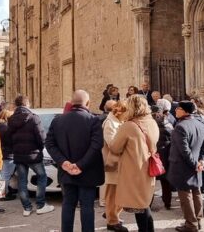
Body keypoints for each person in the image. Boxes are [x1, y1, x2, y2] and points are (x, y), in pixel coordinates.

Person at [45, 90, 104, 232]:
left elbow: (50, 144)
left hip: (67, 172)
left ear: (71, 103)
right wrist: (80, 164)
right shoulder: (93, 120)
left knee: (68, 205)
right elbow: (96, 145)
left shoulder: (58, 120)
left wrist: (63, 162)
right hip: (87, 171)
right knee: (87, 206)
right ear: (88, 103)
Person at [110, 94, 159, 232]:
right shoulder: (152, 122)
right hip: (149, 168)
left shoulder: (129, 126)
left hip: (134, 170)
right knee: (144, 203)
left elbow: (115, 147)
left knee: (139, 207)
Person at [167, 100, 204, 232]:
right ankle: (197, 220)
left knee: (186, 195)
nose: (175, 110)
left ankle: (191, 224)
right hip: (196, 164)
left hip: (183, 166)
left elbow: (184, 151)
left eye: (178, 108)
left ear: (185, 111)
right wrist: (202, 162)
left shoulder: (180, 127)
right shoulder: (200, 124)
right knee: (196, 192)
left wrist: (197, 164)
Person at [7, 95, 54, 216]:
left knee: (22, 181)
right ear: (27, 104)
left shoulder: (11, 119)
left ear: (16, 105)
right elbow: (41, 136)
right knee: (42, 176)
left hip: (19, 155)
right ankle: (40, 205)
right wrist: (40, 148)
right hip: (33, 154)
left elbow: (9, 138)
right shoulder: (34, 118)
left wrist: (15, 149)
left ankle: (27, 208)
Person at [102, 100, 128, 231]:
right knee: (112, 192)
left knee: (120, 191)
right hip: (113, 162)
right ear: (119, 112)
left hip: (120, 162)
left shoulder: (119, 122)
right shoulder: (110, 123)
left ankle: (112, 214)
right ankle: (112, 221)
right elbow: (112, 144)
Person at [151, 103, 173, 210]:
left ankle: (148, 203)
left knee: (151, 180)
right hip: (165, 155)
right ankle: (167, 202)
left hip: (153, 155)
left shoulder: (150, 124)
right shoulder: (169, 123)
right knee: (165, 180)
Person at [0, 109, 16, 201]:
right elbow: (10, 142)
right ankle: (3, 194)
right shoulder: (6, 128)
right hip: (7, 153)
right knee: (6, 174)